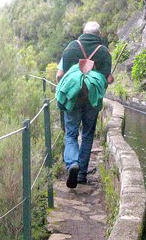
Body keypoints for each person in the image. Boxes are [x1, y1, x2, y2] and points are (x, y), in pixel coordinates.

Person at [55, 21, 114, 188]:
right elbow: (108, 79)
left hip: (73, 97)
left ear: (83, 32)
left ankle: (72, 163)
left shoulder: (72, 48)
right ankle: (81, 175)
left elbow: (60, 75)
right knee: (87, 134)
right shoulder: (103, 52)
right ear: (99, 34)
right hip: (92, 98)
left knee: (71, 133)